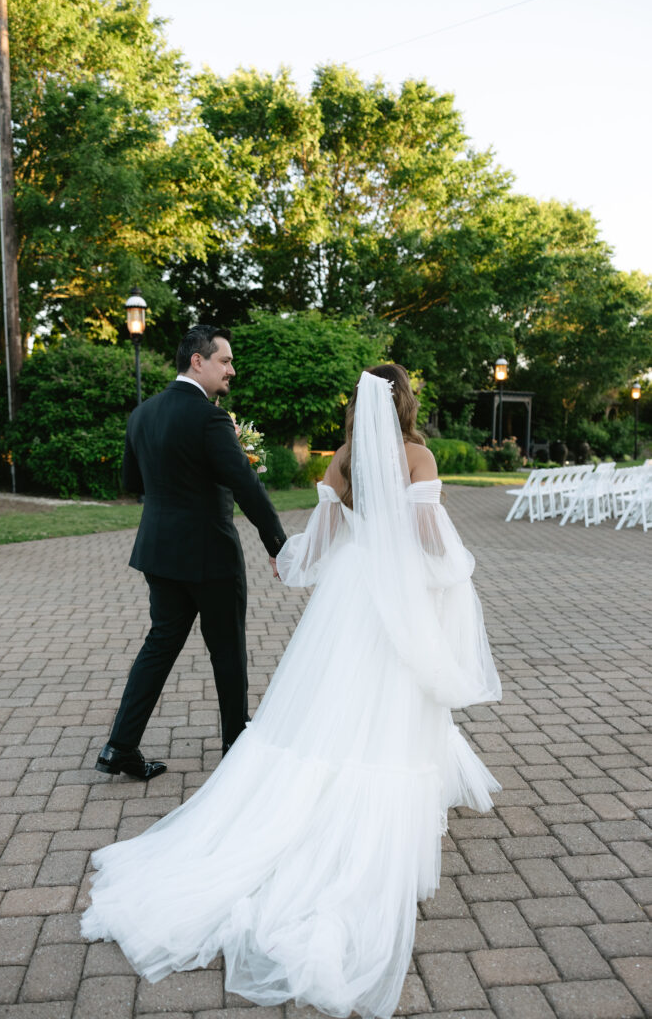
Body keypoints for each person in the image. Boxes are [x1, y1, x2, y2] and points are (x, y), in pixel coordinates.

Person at [82, 364, 502, 1019]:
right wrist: (456, 565)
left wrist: (291, 557)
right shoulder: (415, 454)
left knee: (332, 699)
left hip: (350, 592)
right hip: (397, 594)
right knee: (393, 694)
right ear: (406, 401)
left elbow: (326, 536)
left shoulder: (343, 460)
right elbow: (424, 535)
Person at [94, 325, 287, 781]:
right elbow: (245, 484)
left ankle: (118, 746)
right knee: (227, 650)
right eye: (224, 361)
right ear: (197, 361)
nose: (231, 370)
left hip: (159, 552)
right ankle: (236, 745)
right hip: (210, 555)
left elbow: (132, 484)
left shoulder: (142, 414)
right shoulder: (210, 418)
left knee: (159, 645)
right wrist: (277, 543)